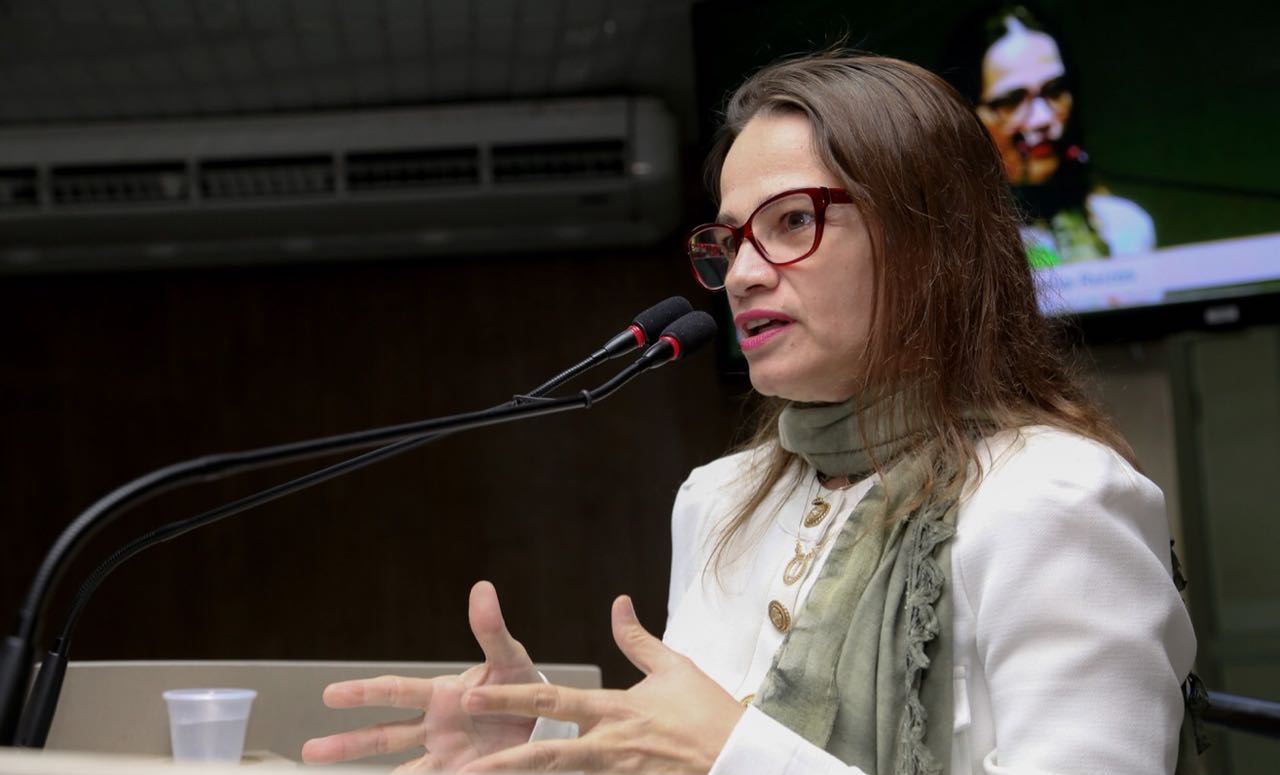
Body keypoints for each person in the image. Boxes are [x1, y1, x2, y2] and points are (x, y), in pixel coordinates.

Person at [301, 53, 1195, 774]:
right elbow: (685, 754)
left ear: (930, 239)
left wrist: (734, 751)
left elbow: (717, 750)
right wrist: (544, 744)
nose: (743, 273)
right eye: (729, 239)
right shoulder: (718, 497)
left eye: (793, 221)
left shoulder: (1057, 498)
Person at [945, 5, 1156, 265]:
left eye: (1054, 91)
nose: (1043, 118)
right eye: (1012, 100)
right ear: (965, 118)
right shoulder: (945, 251)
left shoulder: (1125, 230)